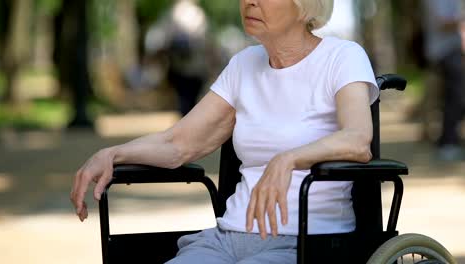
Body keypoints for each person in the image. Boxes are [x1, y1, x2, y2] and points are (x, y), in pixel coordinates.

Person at [70, 0, 379, 263]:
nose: (250, 1)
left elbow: (357, 140)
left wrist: (289, 159)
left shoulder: (342, 57)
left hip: (308, 242)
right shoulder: (243, 65)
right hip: (227, 238)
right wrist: (112, 153)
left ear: (303, 6)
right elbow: (178, 143)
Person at [421, 0, 464, 161]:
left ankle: (447, 140)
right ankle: (448, 142)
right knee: (454, 97)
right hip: (444, 52)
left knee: (450, 97)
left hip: (447, 51)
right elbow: (443, 22)